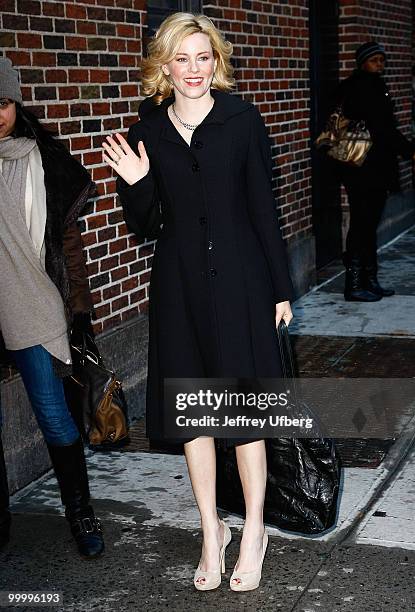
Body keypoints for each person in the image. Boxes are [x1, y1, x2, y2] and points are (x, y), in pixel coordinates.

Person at [104, 13, 294, 592]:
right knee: (196, 416)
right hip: (180, 286)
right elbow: (148, 224)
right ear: (164, 65)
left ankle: (254, 527)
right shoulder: (147, 131)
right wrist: (137, 182)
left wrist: (281, 289)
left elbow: (265, 207)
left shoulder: (242, 120)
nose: (192, 69)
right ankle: (213, 533)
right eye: (181, 59)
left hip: (240, 285)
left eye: (202, 57)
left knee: (242, 415)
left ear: (217, 62)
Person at [0, 57, 104, 558]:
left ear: (17, 104)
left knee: (54, 416)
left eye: (2, 103)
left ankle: (80, 510)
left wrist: (80, 313)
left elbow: (68, 241)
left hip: (34, 306)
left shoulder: (44, 160)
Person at [335, 41, 415, 302]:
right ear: (362, 62)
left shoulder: (357, 86)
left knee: (367, 225)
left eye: (382, 60)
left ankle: (369, 280)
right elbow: (384, 128)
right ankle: (355, 284)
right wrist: (408, 150)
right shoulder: (365, 87)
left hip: (362, 167)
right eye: (374, 60)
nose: (379, 65)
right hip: (366, 168)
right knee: (362, 224)